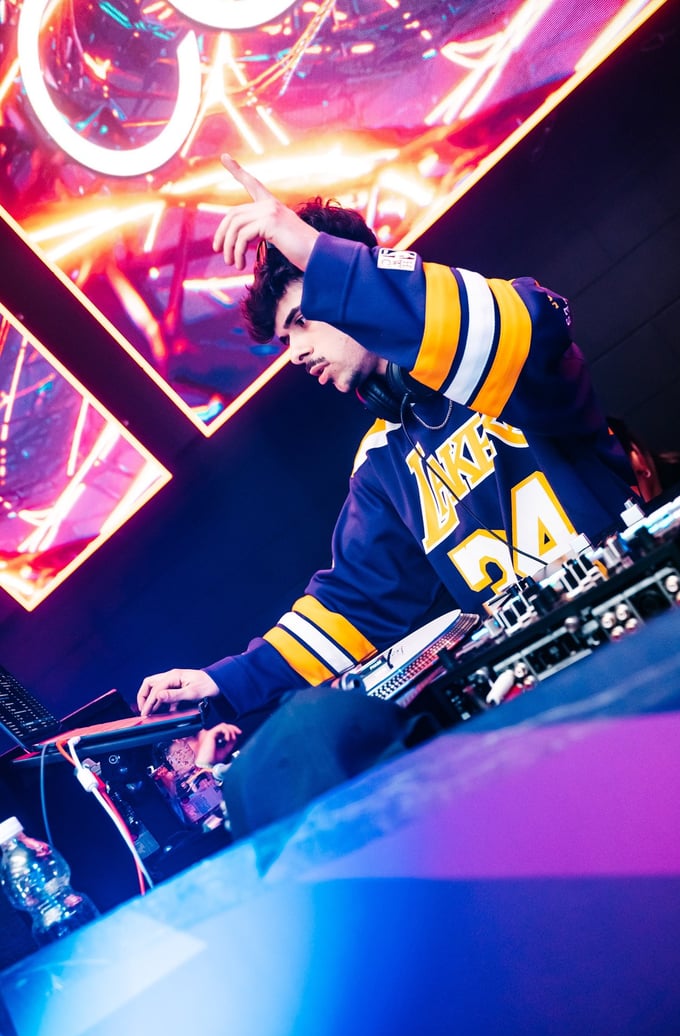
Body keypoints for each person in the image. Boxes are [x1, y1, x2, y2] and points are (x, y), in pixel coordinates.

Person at [137, 154, 637, 723]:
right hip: (547, 694)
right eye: (284, 339)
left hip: (641, 623)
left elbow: (505, 328)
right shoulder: (380, 460)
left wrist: (315, 254)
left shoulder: (514, 326)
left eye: (301, 320)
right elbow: (353, 603)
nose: (295, 352)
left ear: (350, 288)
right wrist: (223, 680)